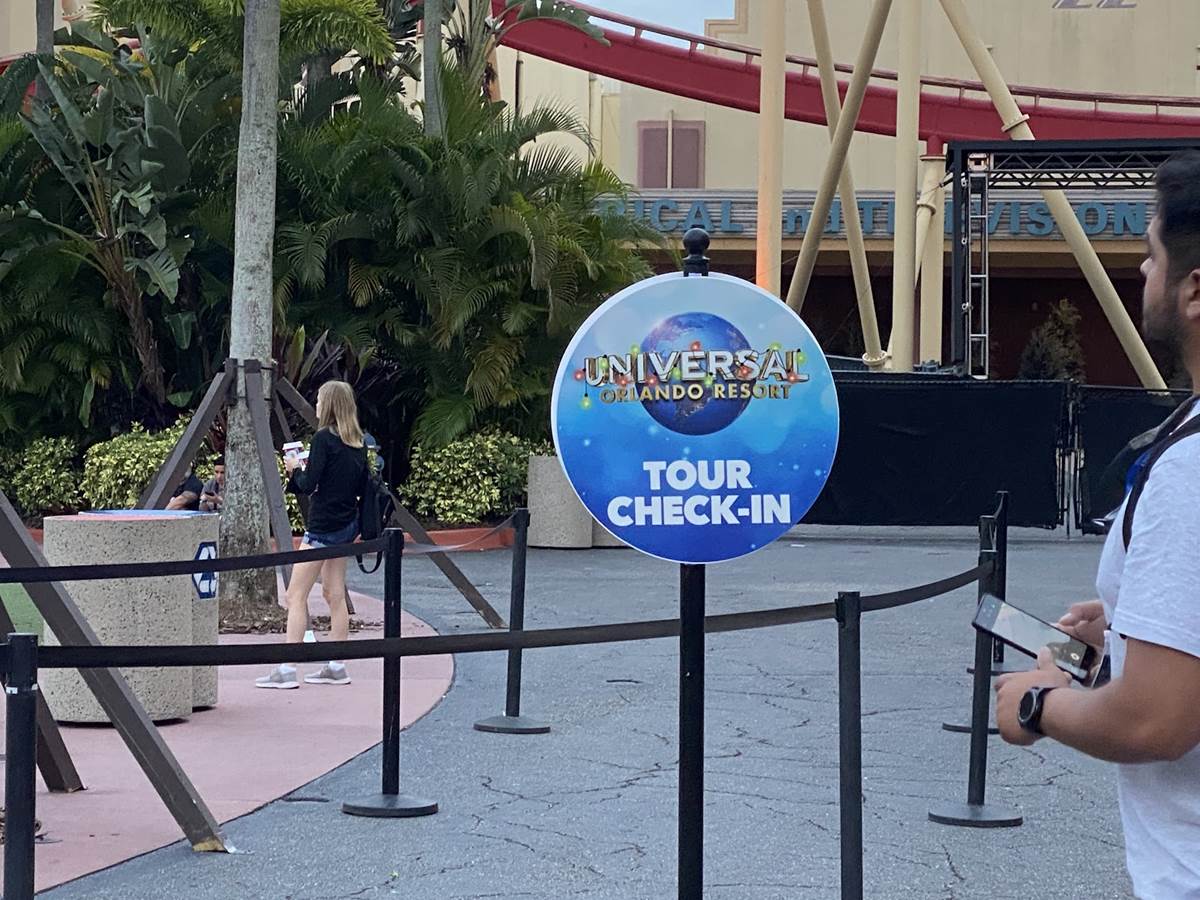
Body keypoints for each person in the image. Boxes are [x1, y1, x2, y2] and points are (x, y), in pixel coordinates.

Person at [995, 152, 1200, 898]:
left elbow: (1155, 721)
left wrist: (1036, 703)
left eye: (1152, 254)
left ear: (1195, 291)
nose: (1142, 271)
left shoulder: (1189, 470)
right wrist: (1137, 622)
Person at [255, 381, 367, 690]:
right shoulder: (357, 443)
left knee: (295, 595)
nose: (316, 405)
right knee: (334, 594)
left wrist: (294, 468)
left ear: (328, 405)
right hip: (346, 525)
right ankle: (337, 665)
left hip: (322, 527)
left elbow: (308, 484)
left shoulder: (323, 439)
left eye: (319, 400)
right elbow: (357, 486)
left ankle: (287, 668)